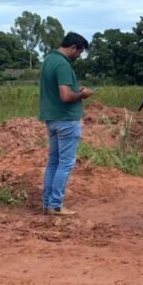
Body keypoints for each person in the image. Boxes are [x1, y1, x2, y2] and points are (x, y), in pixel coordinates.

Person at [39, 31, 94, 216]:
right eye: (79, 52)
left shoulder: (48, 60)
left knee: (54, 162)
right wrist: (82, 94)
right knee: (65, 163)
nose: (78, 56)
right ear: (73, 47)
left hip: (52, 119)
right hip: (66, 120)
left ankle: (48, 204)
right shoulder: (63, 65)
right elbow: (66, 95)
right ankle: (56, 205)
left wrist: (75, 91)